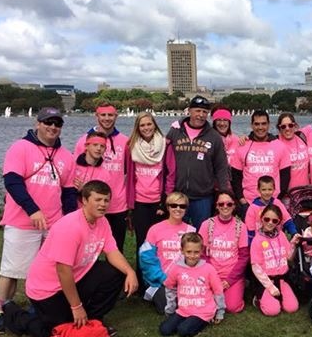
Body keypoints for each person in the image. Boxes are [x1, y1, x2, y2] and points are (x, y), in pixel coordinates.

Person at [0, 180, 138, 337]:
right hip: (46, 289)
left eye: (106, 200)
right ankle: (13, 313)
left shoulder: (103, 222)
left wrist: (130, 272)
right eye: (97, 200)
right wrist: (76, 307)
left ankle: (93, 320)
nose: (103, 205)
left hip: (76, 278)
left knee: (115, 272)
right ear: (84, 201)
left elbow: (112, 252)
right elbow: (63, 270)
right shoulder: (70, 227)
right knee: (57, 333)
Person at [0, 107, 76, 334]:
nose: (53, 127)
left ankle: (38, 308)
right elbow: (13, 183)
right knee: (12, 270)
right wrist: (33, 210)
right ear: (37, 123)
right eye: (48, 122)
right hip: (22, 222)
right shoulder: (20, 148)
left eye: (57, 123)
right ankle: (2, 311)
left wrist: (68, 222)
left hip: (54, 224)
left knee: (49, 270)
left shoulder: (66, 156)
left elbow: (68, 193)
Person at [165, 95, 231, 229]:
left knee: (202, 234)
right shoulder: (175, 132)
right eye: (197, 111)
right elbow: (163, 158)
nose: (200, 115)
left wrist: (224, 192)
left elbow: (221, 167)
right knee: (176, 234)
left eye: (204, 112)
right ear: (189, 111)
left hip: (203, 197)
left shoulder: (214, 137)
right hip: (178, 194)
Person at [74, 103, 129, 251]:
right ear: (96, 116)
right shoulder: (83, 141)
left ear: (116, 116)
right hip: (90, 206)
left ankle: (117, 274)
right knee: (88, 248)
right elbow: (77, 168)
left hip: (117, 204)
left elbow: (128, 171)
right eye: (103, 115)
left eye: (110, 115)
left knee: (116, 248)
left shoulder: (125, 141)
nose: (107, 118)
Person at [125, 112, 169, 281]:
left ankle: (160, 278)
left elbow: (169, 174)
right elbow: (127, 174)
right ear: (137, 128)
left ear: (154, 125)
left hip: (158, 202)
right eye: (142, 125)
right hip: (140, 202)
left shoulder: (165, 145)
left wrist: (164, 202)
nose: (146, 128)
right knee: (143, 243)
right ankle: (141, 280)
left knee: (160, 242)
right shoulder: (132, 146)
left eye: (149, 124)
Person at [138, 192, 196, 314]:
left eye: (182, 206)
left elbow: (194, 259)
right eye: (174, 205)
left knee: (190, 304)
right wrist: (162, 278)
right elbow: (146, 258)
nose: (178, 209)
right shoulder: (155, 229)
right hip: (160, 280)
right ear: (168, 207)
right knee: (167, 307)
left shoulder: (191, 231)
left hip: (183, 280)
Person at [160, 232, 226, 337]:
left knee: (183, 331)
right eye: (189, 252)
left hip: (203, 312)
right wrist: (170, 308)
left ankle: (205, 321)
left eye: (196, 252)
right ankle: (186, 321)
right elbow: (170, 287)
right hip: (183, 310)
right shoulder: (176, 269)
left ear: (201, 251)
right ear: (182, 251)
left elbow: (218, 291)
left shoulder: (209, 269)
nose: (192, 256)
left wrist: (220, 311)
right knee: (165, 330)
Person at [230, 109, 291, 216]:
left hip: (272, 202)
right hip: (248, 202)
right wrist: (241, 199)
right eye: (257, 124)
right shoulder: (242, 146)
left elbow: (285, 177)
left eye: (263, 124)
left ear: (268, 125)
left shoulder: (280, 146)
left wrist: (277, 200)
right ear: (252, 125)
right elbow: (235, 177)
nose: (260, 127)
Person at [198, 192, 249, 315]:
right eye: (221, 204)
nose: (225, 206)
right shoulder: (206, 225)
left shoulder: (241, 226)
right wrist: (213, 277)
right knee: (202, 303)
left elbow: (243, 257)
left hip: (232, 275)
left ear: (234, 206)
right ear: (216, 206)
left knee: (232, 307)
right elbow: (202, 254)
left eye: (229, 203)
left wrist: (229, 280)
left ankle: (237, 288)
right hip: (210, 274)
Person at [249, 205, 301, 316]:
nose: (270, 223)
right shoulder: (257, 240)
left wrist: (293, 244)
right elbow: (256, 267)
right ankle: (258, 299)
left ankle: (279, 298)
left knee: (292, 308)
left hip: (282, 279)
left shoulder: (281, 235)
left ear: (278, 222)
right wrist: (270, 287)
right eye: (267, 219)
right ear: (261, 218)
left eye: (274, 220)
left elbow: (289, 258)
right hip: (266, 281)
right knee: (273, 311)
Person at [244, 175, 298, 243]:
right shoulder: (253, 208)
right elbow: (250, 230)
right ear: (258, 190)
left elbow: (287, 220)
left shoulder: (277, 203)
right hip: (259, 242)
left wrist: (294, 233)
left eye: (270, 189)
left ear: (274, 189)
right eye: (264, 189)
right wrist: (251, 246)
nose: (267, 192)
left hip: (277, 239)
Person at [73, 132, 112, 202]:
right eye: (95, 145)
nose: (99, 148)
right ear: (86, 146)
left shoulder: (106, 174)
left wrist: (85, 189)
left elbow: (103, 199)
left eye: (102, 146)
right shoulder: (73, 167)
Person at [276, 112, 309, 189]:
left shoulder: (302, 136)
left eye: (290, 125)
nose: (287, 128)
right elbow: (259, 140)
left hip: (305, 191)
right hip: (286, 194)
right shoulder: (275, 142)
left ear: (295, 126)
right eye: (283, 126)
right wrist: (244, 139)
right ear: (279, 128)